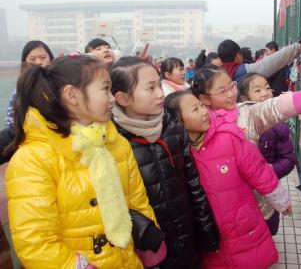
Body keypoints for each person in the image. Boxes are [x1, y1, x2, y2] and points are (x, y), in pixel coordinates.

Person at [5, 55, 158, 268]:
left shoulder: (115, 143)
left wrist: (150, 237)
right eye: (105, 89)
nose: (112, 98)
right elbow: (35, 243)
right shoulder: (33, 160)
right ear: (72, 95)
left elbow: (138, 202)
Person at [190, 67, 301, 232]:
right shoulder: (197, 125)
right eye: (222, 91)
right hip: (223, 203)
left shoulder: (247, 113)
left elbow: (275, 107)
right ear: (205, 98)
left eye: (232, 86)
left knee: (265, 234)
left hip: (258, 198)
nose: (231, 94)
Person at [110, 57, 219, 268]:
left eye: (158, 85)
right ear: (122, 98)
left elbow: (193, 183)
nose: (160, 94)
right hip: (149, 249)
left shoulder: (172, 127)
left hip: (188, 239)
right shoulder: (112, 141)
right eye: (150, 88)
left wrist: (206, 230)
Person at [165, 90, 291, 268]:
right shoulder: (178, 153)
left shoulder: (229, 136)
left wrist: (281, 200)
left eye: (202, 106)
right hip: (210, 234)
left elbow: (259, 170)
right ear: (179, 122)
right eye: (195, 109)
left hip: (242, 226)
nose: (203, 112)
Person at [238, 73, 297, 235]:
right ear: (244, 98)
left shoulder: (279, 126)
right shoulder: (239, 122)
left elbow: (289, 158)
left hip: (267, 188)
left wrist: (271, 170)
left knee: (268, 223)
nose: (265, 93)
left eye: (267, 88)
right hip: (243, 189)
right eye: (257, 90)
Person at [5, 40, 54, 128]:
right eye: (32, 59)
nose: (38, 62)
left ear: (50, 58)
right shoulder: (20, 90)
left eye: (43, 57)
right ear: (25, 62)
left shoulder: (60, 84)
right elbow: (11, 123)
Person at [217, 39, 301, 83]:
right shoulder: (243, 71)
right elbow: (271, 62)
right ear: (238, 56)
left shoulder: (215, 75)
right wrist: (298, 47)